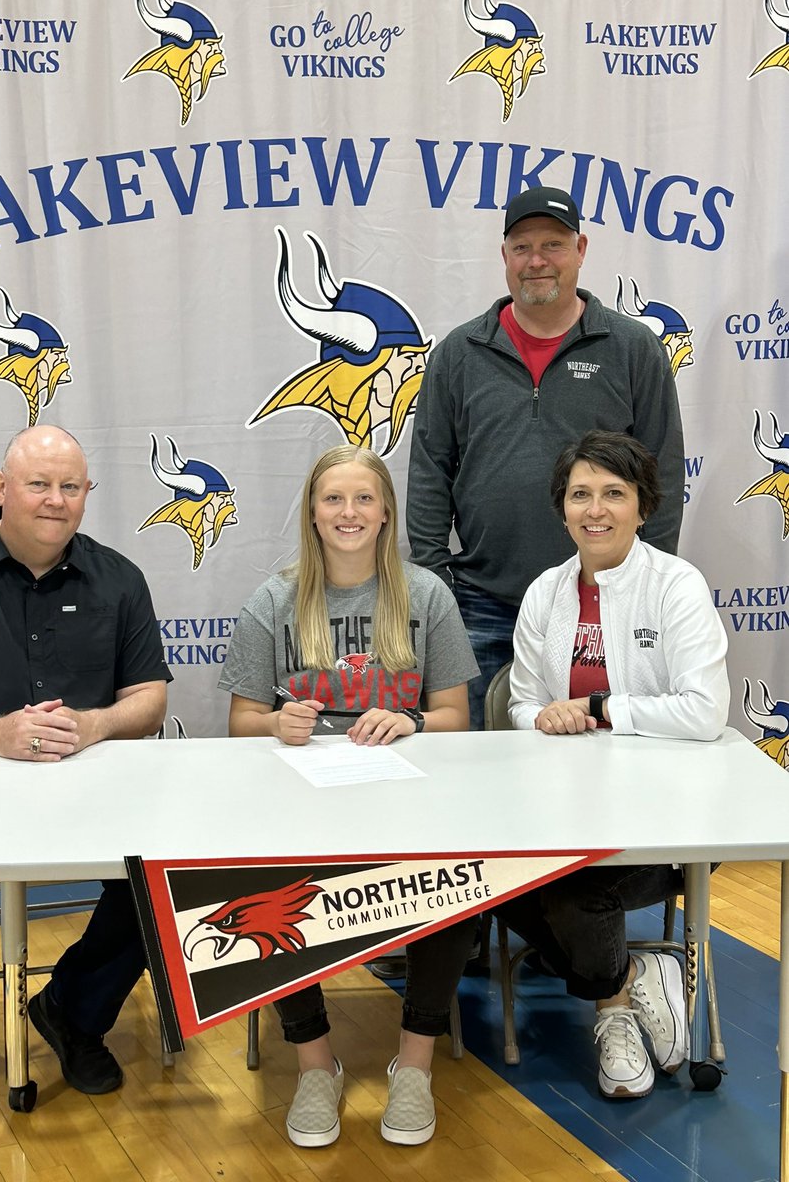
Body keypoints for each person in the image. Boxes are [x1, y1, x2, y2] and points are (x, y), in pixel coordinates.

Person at [0, 426, 170, 1112]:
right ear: (0, 488)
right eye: (39, 484)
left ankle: (72, 1013)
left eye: (70, 486)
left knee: (160, 875)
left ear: (86, 495)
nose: (55, 500)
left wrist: (95, 723)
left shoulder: (119, 578)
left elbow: (151, 698)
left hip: (87, 783)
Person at [219, 444, 479, 1148]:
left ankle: (415, 1062)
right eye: (334, 499)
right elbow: (241, 724)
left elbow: (457, 718)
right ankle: (315, 1065)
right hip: (304, 810)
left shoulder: (426, 595)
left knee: (460, 878)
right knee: (262, 886)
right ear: (311, 511)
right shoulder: (274, 600)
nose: (349, 513)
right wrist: (277, 721)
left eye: (364, 499)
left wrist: (414, 718)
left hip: (406, 804)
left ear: (387, 511)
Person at [498, 430, 729, 1099]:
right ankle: (628, 978)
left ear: (642, 505)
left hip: (669, 820)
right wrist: (540, 716)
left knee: (575, 891)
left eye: (613, 494)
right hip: (567, 810)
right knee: (489, 884)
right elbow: (519, 703)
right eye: (580, 494)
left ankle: (610, 1013)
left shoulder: (677, 586)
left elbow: (704, 710)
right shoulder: (546, 592)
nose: (595, 509)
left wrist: (599, 707)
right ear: (562, 508)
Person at [406, 185, 684, 729]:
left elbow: (663, 475)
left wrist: (641, 586)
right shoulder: (459, 355)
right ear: (504, 255)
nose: (537, 261)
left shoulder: (631, 348)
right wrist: (436, 588)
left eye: (553, 245)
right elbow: (429, 475)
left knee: (603, 760)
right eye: (522, 247)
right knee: (473, 768)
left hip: (600, 602)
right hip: (481, 604)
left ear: (581, 249)